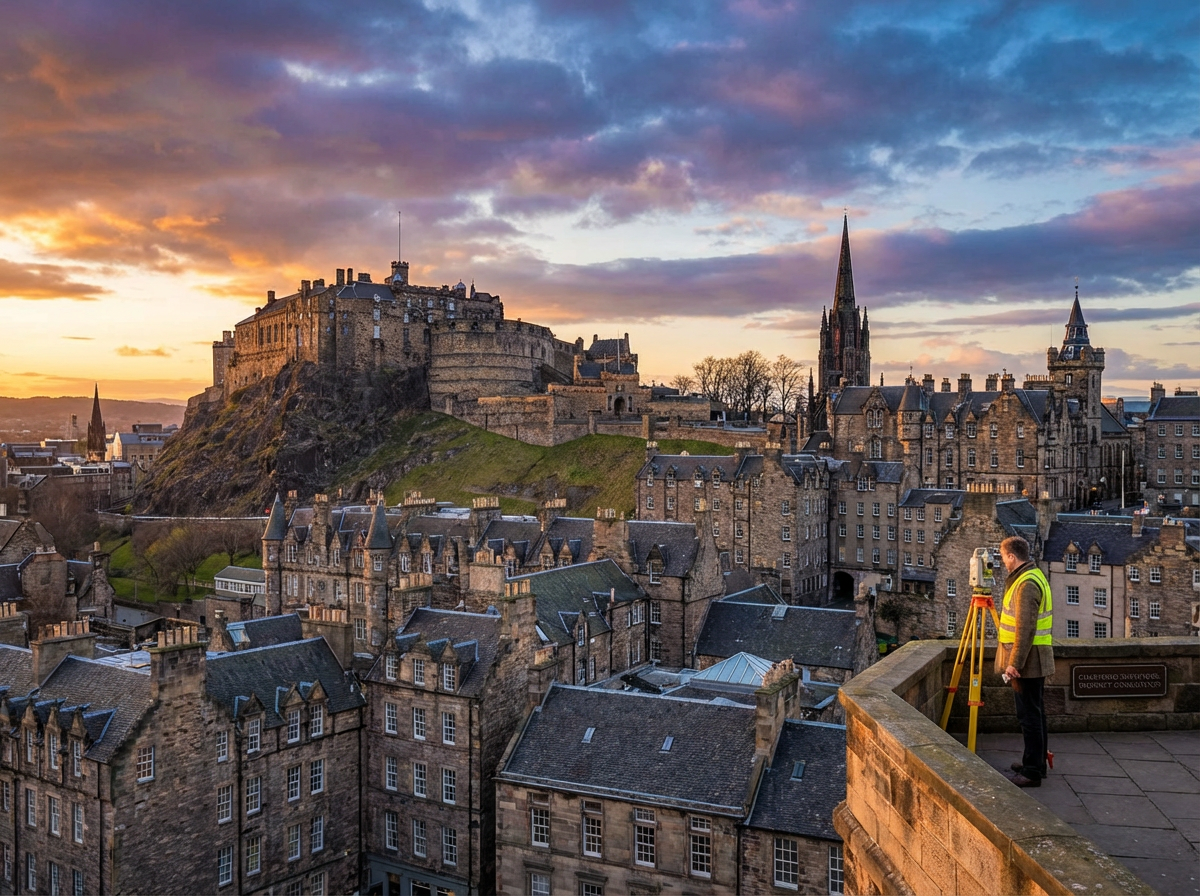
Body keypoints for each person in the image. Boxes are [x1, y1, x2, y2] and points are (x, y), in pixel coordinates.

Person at [996, 535, 1054, 787]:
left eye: (1003, 558)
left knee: (1029, 716)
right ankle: (1036, 762)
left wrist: (1014, 663)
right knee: (1036, 714)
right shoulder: (1033, 575)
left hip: (1028, 662)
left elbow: (1025, 629)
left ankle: (1031, 772)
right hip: (1034, 658)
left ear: (1012, 556)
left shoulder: (1027, 583)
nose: (1002, 563)